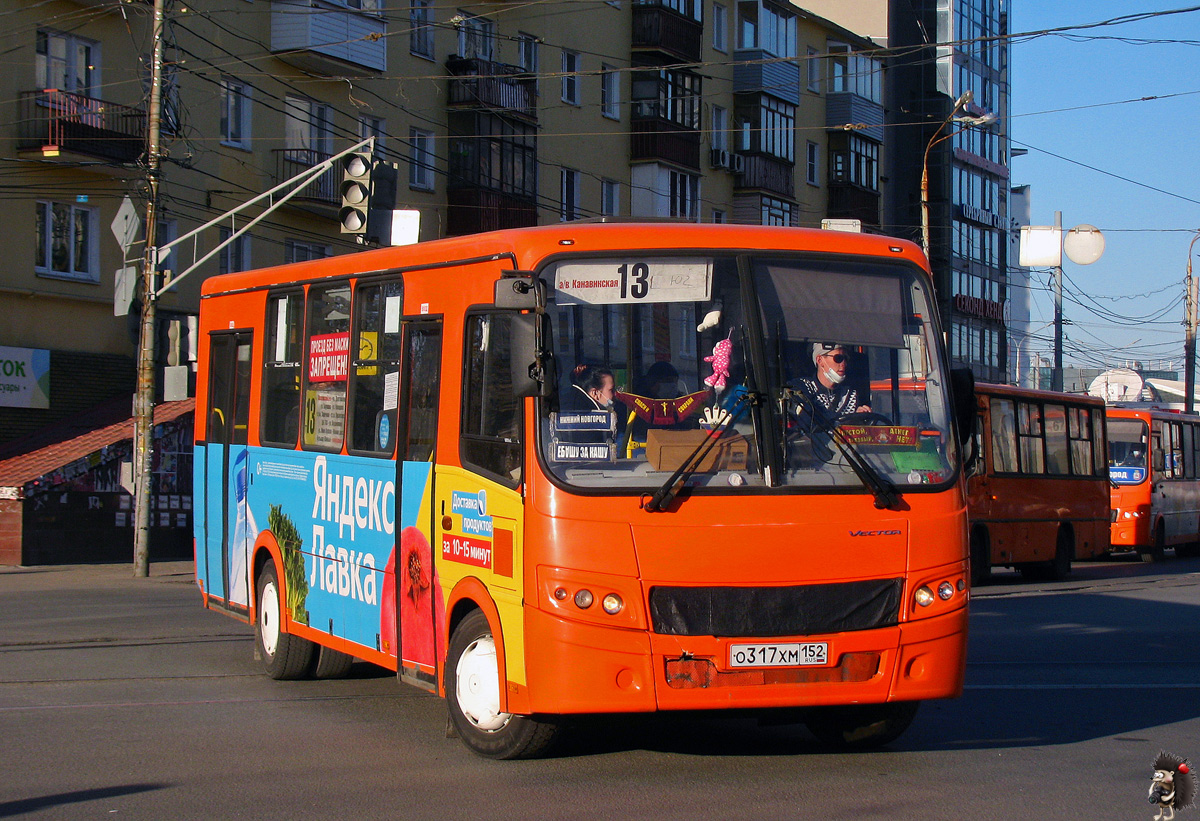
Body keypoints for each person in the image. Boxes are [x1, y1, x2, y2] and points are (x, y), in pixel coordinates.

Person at [792, 342, 871, 421]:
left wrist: (861, 416)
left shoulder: (853, 391)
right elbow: (809, 419)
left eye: (846, 359)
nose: (843, 364)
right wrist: (850, 418)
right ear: (820, 360)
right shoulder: (801, 387)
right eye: (838, 358)